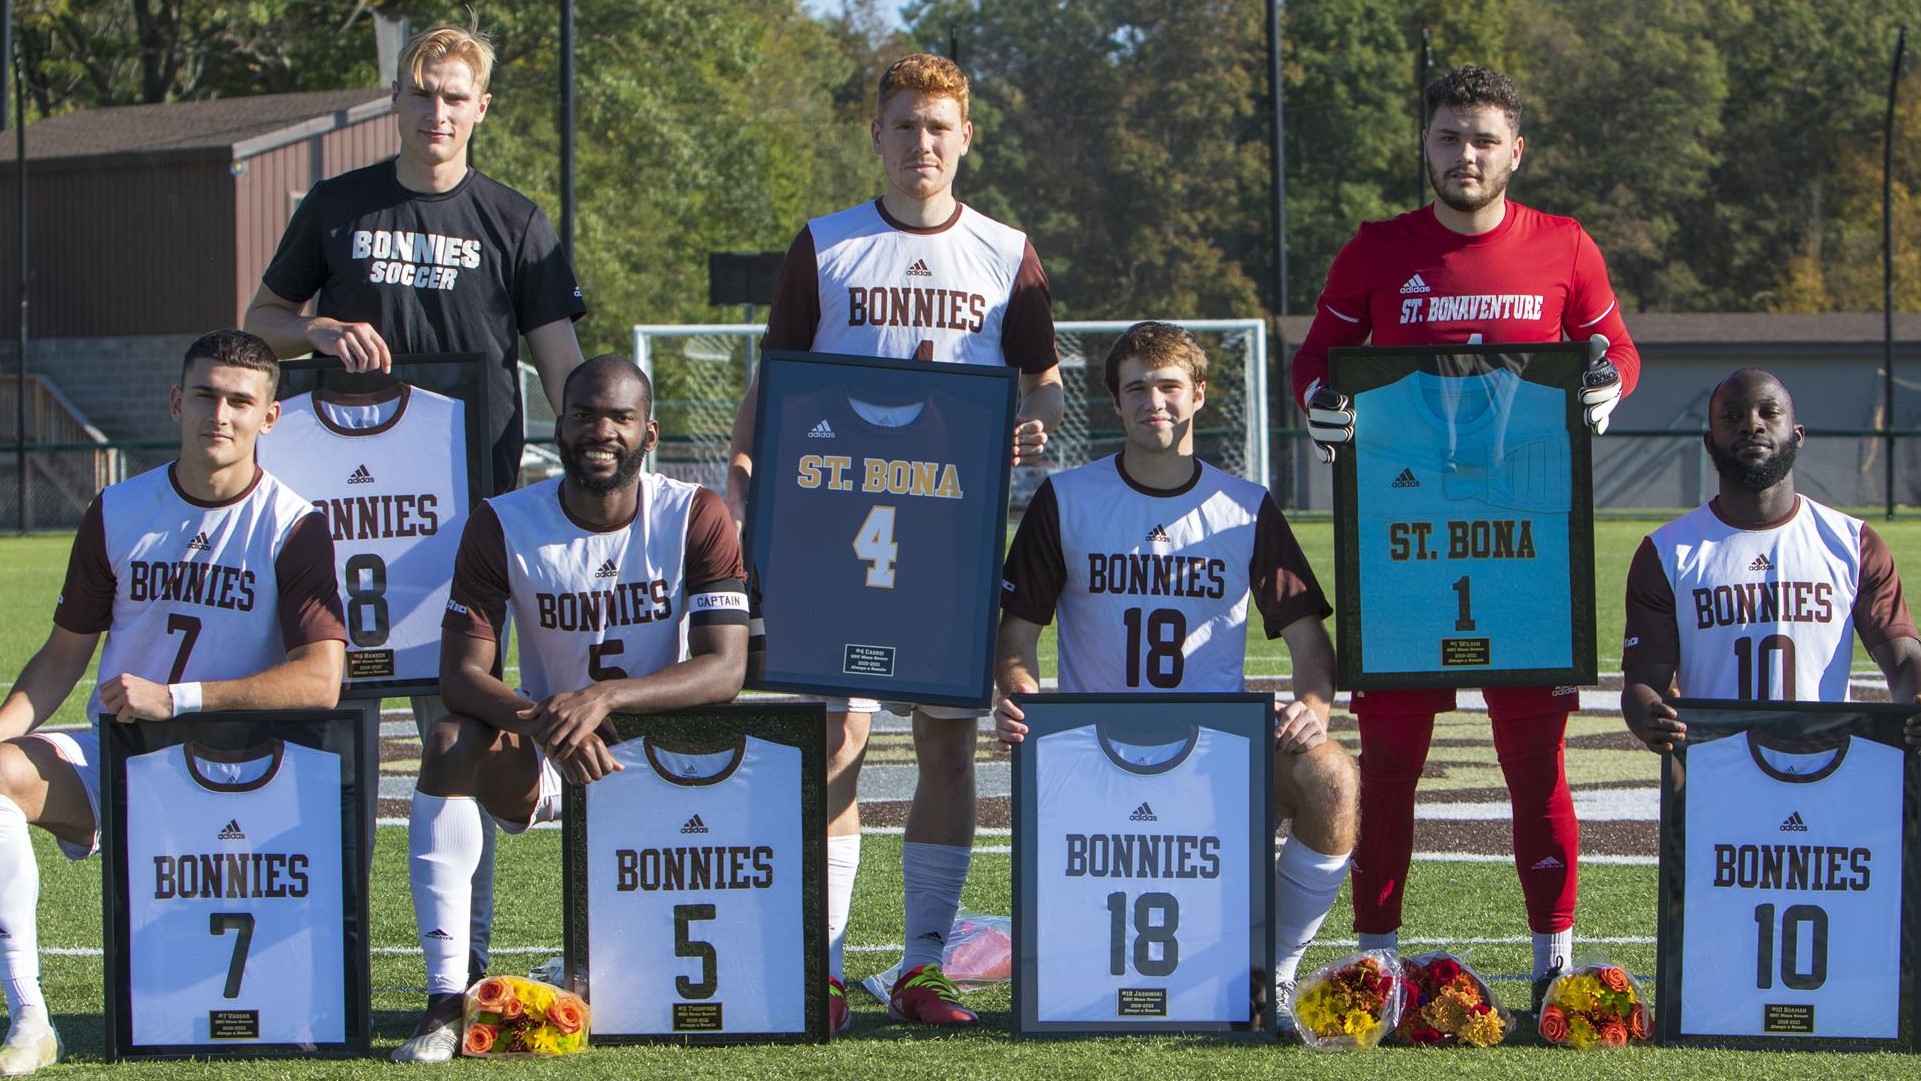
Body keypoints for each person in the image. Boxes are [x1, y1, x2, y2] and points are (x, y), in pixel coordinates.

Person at [722, 53, 1063, 1030]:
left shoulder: (1004, 250)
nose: (922, 142)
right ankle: (824, 963)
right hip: (834, 521)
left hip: (948, 527)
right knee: (838, 732)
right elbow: (775, 375)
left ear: (965, 137)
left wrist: (1023, 418)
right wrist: (739, 479)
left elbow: (1041, 379)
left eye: (938, 127)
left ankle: (922, 963)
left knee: (946, 739)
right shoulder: (826, 247)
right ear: (876, 135)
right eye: (904, 125)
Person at [244, 21, 588, 988]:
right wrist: (315, 327)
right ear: (396, 98)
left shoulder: (515, 221)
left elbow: (563, 373)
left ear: (481, 108)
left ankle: (462, 973)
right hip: (341, 520)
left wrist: (596, 464)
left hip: (466, 527)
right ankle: (329, 970)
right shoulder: (337, 205)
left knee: (458, 744)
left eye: (454, 95)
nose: (436, 111)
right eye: (420, 91)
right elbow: (259, 323)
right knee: (331, 742)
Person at [1290, 65, 1643, 1006]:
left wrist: (1607, 383)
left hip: (1525, 543)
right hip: (1405, 539)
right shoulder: (1375, 250)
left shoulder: (1564, 245)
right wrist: (1319, 403)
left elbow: (1617, 349)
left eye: (1483, 139)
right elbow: (1317, 362)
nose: (1465, 155)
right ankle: (1376, 967)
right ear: (1426, 146)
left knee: (1537, 761)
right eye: (1448, 137)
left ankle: (1555, 972)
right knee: (1392, 762)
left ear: (1514, 150)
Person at [994, 321, 1358, 1033]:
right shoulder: (1066, 498)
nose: (1151, 401)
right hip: (1095, 754)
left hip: (1214, 753)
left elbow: (1311, 645)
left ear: (1197, 395)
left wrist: (1313, 705)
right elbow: (1014, 638)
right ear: (1115, 402)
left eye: (1167, 386)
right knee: (1078, 985)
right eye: (1135, 388)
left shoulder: (1244, 505)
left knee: (1333, 777)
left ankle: (1274, 968)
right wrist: (1019, 695)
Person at [0, 330, 347, 1075]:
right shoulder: (118, 508)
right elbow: (63, 656)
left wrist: (178, 698)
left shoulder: (293, 522)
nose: (218, 414)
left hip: (240, 769)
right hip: (123, 755)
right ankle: (29, 1012)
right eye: (204, 395)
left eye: (239, 400)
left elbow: (321, 678)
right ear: (175, 401)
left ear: (270, 418)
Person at [392, 356, 748, 1062]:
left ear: (650, 431)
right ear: (560, 425)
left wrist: (603, 697)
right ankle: (443, 996)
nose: (601, 431)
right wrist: (547, 720)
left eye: (619, 417)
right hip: (552, 755)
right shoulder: (502, 521)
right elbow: (461, 675)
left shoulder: (695, 513)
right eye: (585, 414)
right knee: (448, 738)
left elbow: (725, 668)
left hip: (662, 758)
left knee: (638, 990)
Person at [1622, 369, 1921, 746]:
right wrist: (1647, 714)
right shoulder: (1666, 552)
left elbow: (1905, 657)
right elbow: (1644, 683)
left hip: (1828, 763)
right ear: (1709, 441)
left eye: (1769, 412)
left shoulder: (1853, 542)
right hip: (1717, 768)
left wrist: (1916, 701)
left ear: (1797, 436)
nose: (1752, 426)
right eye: (1731, 417)